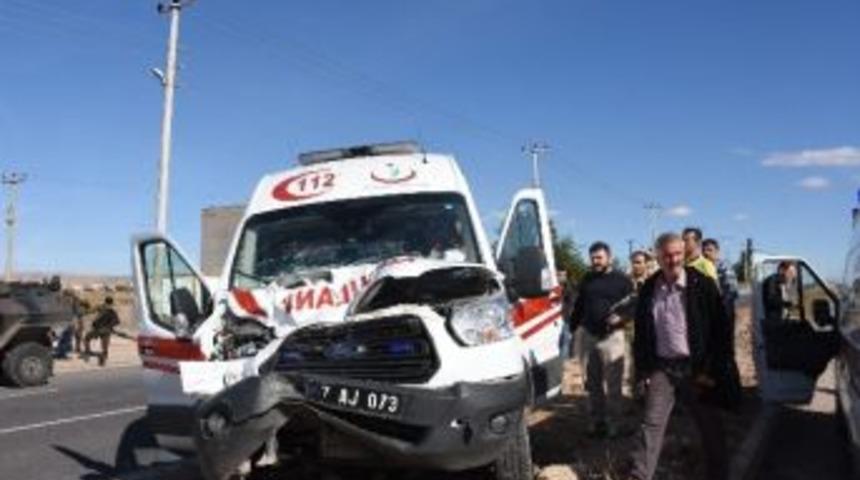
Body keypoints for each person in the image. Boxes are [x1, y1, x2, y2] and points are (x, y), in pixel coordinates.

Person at [626, 232, 736, 480]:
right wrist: (644, 371)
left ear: (683, 254)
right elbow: (642, 335)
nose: (673, 259)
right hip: (662, 369)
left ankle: (719, 475)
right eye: (666, 255)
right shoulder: (649, 289)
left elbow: (720, 330)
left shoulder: (702, 285)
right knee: (651, 426)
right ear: (658, 257)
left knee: (710, 426)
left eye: (677, 254)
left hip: (697, 369)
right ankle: (639, 475)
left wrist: (712, 369)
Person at [570, 241, 634, 437]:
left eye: (599, 257)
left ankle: (614, 424)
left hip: (612, 337)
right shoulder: (587, 279)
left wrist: (622, 317)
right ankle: (597, 422)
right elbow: (579, 305)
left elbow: (634, 305)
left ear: (609, 257)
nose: (595, 262)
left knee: (614, 385)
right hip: (590, 336)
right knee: (593, 383)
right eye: (592, 258)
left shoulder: (622, 280)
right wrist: (573, 328)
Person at [761, 261, 799, 329]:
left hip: (779, 319)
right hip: (773, 322)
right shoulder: (773, 280)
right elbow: (772, 300)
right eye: (791, 273)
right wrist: (787, 304)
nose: (793, 276)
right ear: (782, 270)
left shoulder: (782, 282)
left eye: (794, 274)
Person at [85, 296, 120, 367]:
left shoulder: (101, 307)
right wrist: (109, 327)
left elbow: (90, 311)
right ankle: (102, 358)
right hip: (105, 330)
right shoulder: (112, 310)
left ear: (105, 301)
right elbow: (117, 321)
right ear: (111, 303)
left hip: (98, 329)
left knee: (87, 339)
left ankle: (89, 353)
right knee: (104, 346)